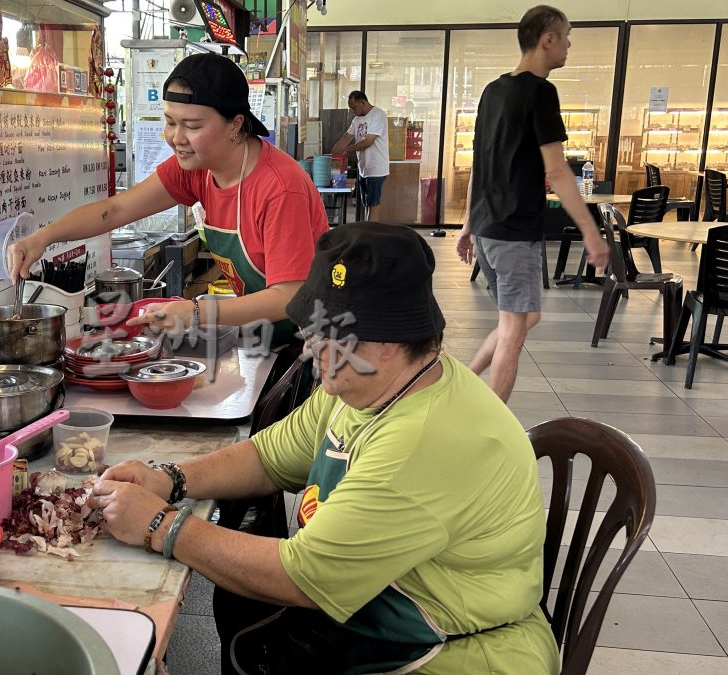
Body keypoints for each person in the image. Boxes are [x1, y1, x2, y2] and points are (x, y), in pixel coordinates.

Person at [90, 223, 559, 674]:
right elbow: (270, 456)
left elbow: (305, 577)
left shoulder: (424, 438)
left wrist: (160, 526)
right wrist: (170, 478)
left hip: (450, 655)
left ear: (390, 342)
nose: (311, 345)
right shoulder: (367, 386)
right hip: (368, 614)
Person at [6, 53, 328, 350]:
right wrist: (41, 238)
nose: (176, 137)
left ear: (236, 124)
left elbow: (289, 295)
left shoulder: (280, 188)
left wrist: (196, 311)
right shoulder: (196, 168)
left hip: (312, 344)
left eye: (192, 125)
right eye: (171, 122)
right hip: (264, 338)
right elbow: (115, 210)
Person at [455, 5, 609, 402]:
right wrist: (592, 233)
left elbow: (481, 164)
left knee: (524, 318)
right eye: (568, 35)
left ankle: (465, 381)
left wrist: (469, 225)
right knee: (513, 330)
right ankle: (490, 423)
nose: (570, 44)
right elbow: (557, 172)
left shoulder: (493, 90)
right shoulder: (541, 92)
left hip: (489, 231)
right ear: (548, 39)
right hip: (513, 232)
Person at [331, 91, 390, 217]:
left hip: (376, 168)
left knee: (373, 204)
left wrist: (347, 149)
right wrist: (333, 154)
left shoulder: (378, 115)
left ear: (363, 102)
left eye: (354, 107)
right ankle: (367, 231)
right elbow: (346, 137)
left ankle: (369, 234)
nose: (353, 111)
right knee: (366, 203)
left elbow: (368, 142)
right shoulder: (357, 120)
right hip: (364, 168)